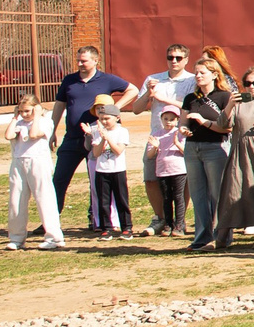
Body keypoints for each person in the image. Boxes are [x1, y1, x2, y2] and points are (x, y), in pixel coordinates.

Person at [50, 46, 137, 225]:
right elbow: (59, 105)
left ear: (96, 60)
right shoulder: (69, 80)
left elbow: (133, 90)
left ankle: (97, 219)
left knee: (98, 182)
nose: (80, 64)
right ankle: (50, 220)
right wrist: (52, 131)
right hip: (72, 138)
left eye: (84, 60)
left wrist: (114, 109)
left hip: (97, 138)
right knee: (59, 179)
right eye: (79, 60)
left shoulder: (107, 80)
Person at [2, 94, 61, 250]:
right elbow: (8, 135)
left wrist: (36, 116)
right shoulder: (19, 122)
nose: (24, 114)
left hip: (38, 161)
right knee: (16, 200)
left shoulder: (45, 122)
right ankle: (16, 238)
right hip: (19, 161)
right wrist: (15, 118)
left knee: (44, 198)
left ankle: (54, 237)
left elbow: (34, 134)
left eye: (28, 110)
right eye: (21, 111)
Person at [81, 96, 132, 237]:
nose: (104, 122)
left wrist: (108, 138)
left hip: (118, 170)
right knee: (104, 201)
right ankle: (106, 228)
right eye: (102, 119)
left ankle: (126, 227)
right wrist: (101, 138)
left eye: (107, 119)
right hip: (101, 170)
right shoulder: (97, 131)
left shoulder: (122, 131)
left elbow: (118, 150)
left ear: (116, 117)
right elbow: (96, 153)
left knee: (121, 200)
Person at [144, 105, 188, 235]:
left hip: (178, 170)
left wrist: (177, 143)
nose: (168, 121)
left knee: (178, 197)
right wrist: (155, 147)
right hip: (162, 170)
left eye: (172, 119)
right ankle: (168, 225)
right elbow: (149, 155)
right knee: (167, 197)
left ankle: (179, 225)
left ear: (177, 120)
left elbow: (186, 152)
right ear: (161, 119)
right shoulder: (156, 135)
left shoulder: (180, 133)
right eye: (166, 118)